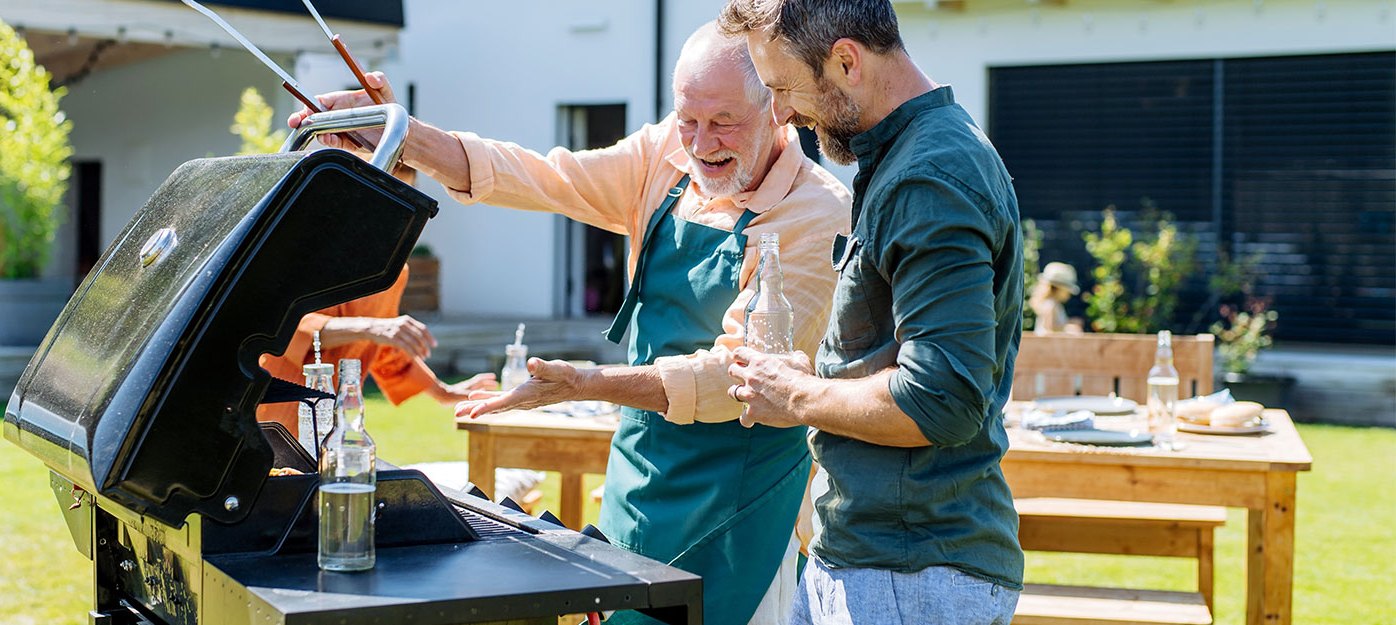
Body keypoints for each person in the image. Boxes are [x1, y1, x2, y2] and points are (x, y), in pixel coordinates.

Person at [290, 24, 850, 625]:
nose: (700, 143)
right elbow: (544, 176)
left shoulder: (816, 212)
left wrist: (587, 384)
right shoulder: (664, 154)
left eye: (723, 122)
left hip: (741, 498)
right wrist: (405, 134)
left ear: (779, 109)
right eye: (687, 119)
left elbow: (733, 378)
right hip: (640, 472)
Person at [718, 1, 1024, 623]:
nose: (780, 113)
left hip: (908, 575)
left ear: (846, 61)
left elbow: (940, 398)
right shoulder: (905, 153)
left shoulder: (930, 175)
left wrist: (798, 395)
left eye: (782, 88)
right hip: (869, 560)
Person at [257, 263, 495, 438]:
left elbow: (384, 345)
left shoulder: (395, 270)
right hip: (274, 410)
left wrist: (442, 392)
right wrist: (371, 326)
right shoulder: (312, 250)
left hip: (336, 422)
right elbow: (283, 326)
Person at [1029, 261, 1083, 335]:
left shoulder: (1054, 304)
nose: (1069, 294)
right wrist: (1068, 327)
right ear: (1059, 289)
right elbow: (1050, 328)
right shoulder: (1050, 305)